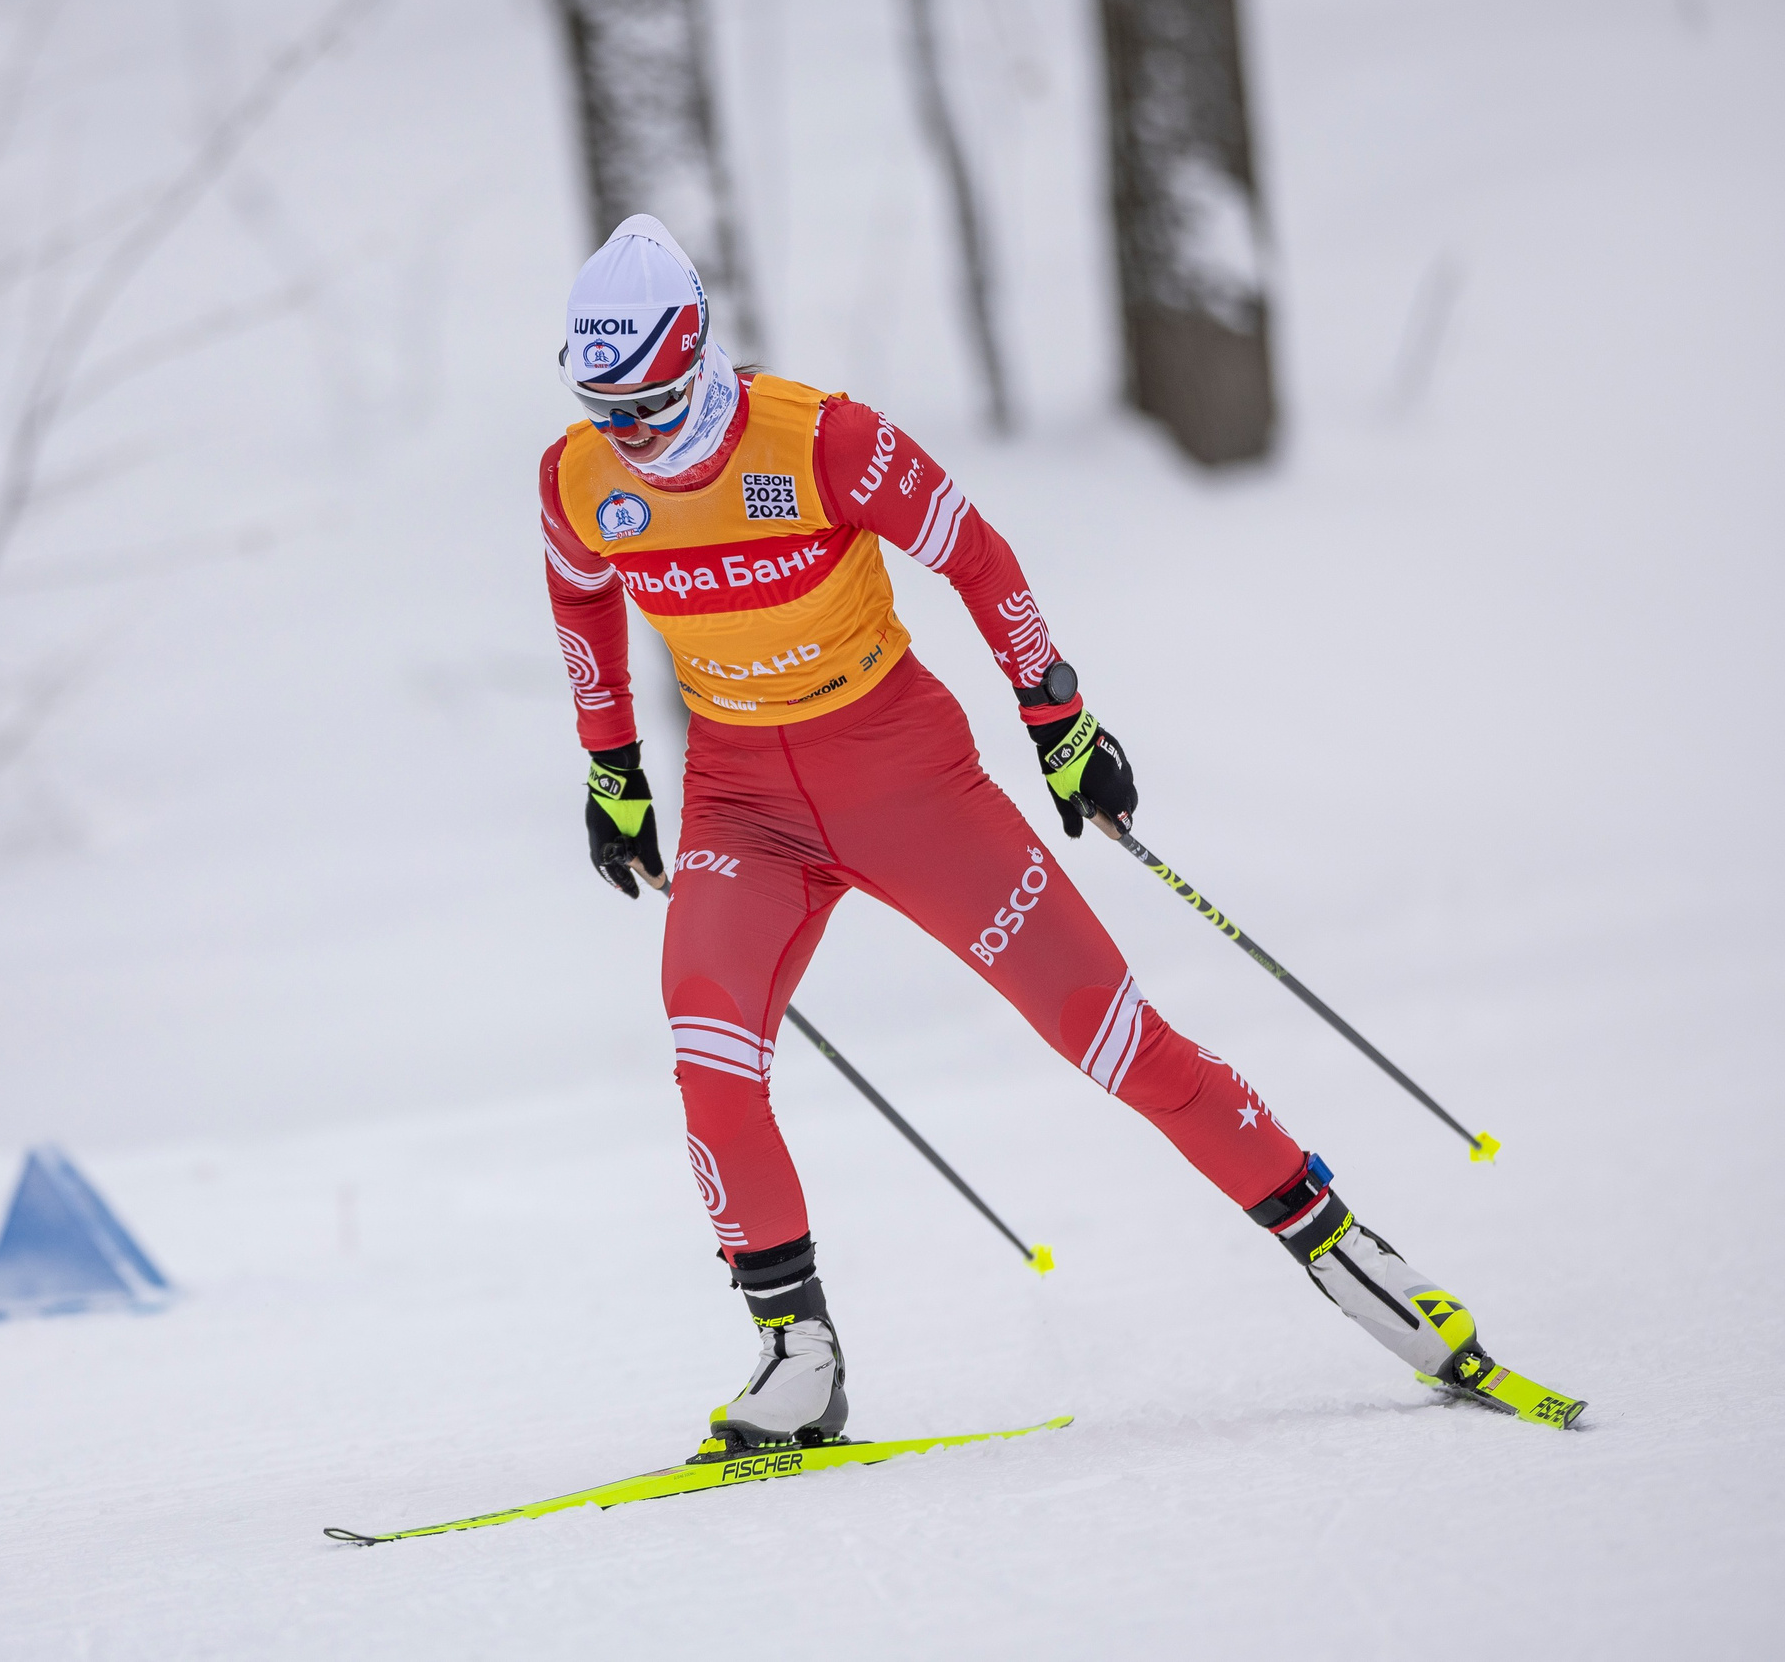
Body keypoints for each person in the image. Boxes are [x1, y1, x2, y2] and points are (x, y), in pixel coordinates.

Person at [541, 215, 1548, 1445]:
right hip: (743, 800)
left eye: (644, 407)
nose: (626, 440)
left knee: (1112, 1038)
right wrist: (613, 775)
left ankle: (1353, 1257)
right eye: (603, 410)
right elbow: (581, 599)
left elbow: (977, 556)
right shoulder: (580, 478)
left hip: (901, 774)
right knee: (706, 1048)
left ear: (696, 356)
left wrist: (1056, 717)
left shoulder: (821, 440)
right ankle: (795, 1359)